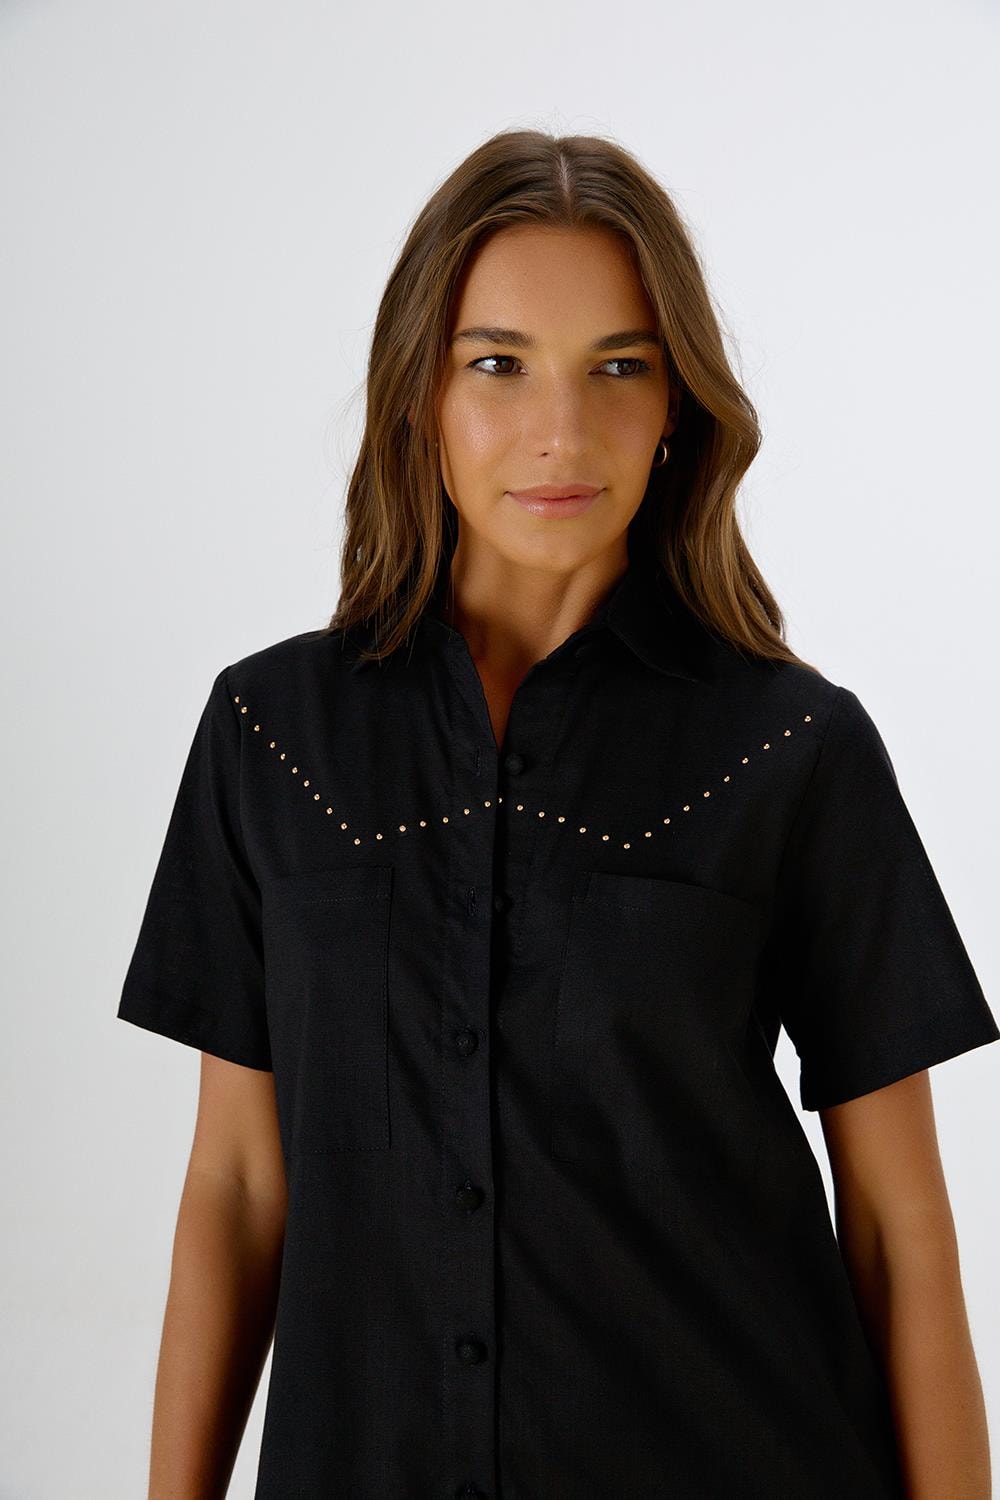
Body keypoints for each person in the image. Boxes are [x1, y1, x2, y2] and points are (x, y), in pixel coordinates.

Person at [117, 128, 998, 1499]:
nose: (562, 432)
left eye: (620, 368)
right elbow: (234, 1186)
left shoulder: (794, 749)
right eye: (499, 364)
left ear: (678, 405)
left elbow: (899, 1226)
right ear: (420, 393)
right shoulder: (271, 737)